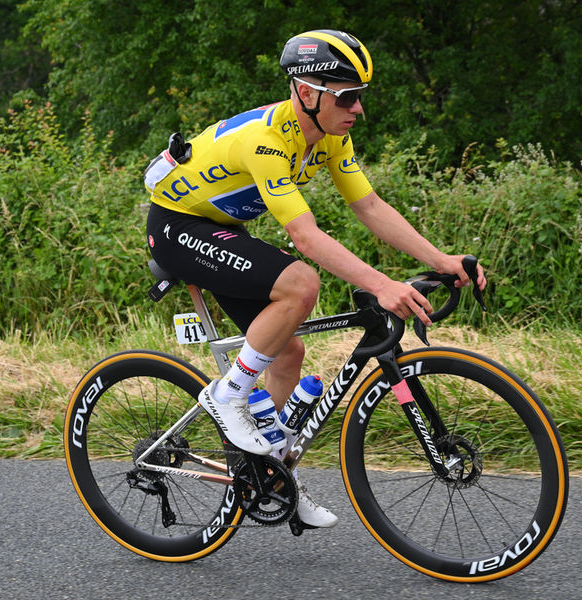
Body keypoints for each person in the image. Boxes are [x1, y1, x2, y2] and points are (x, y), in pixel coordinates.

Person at [144, 30, 486, 528]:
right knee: (301, 283)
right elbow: (305, 236)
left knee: (288, 353)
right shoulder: (267, 142)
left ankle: (270, 474)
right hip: (177, 228)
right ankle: (229, 396)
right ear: (307, 93)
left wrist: (441, 257)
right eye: (347, 96)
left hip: (221, 229)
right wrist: (385, 285)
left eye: (360, 96)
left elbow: (368, 205)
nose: (358, 109)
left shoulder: (328, 136)